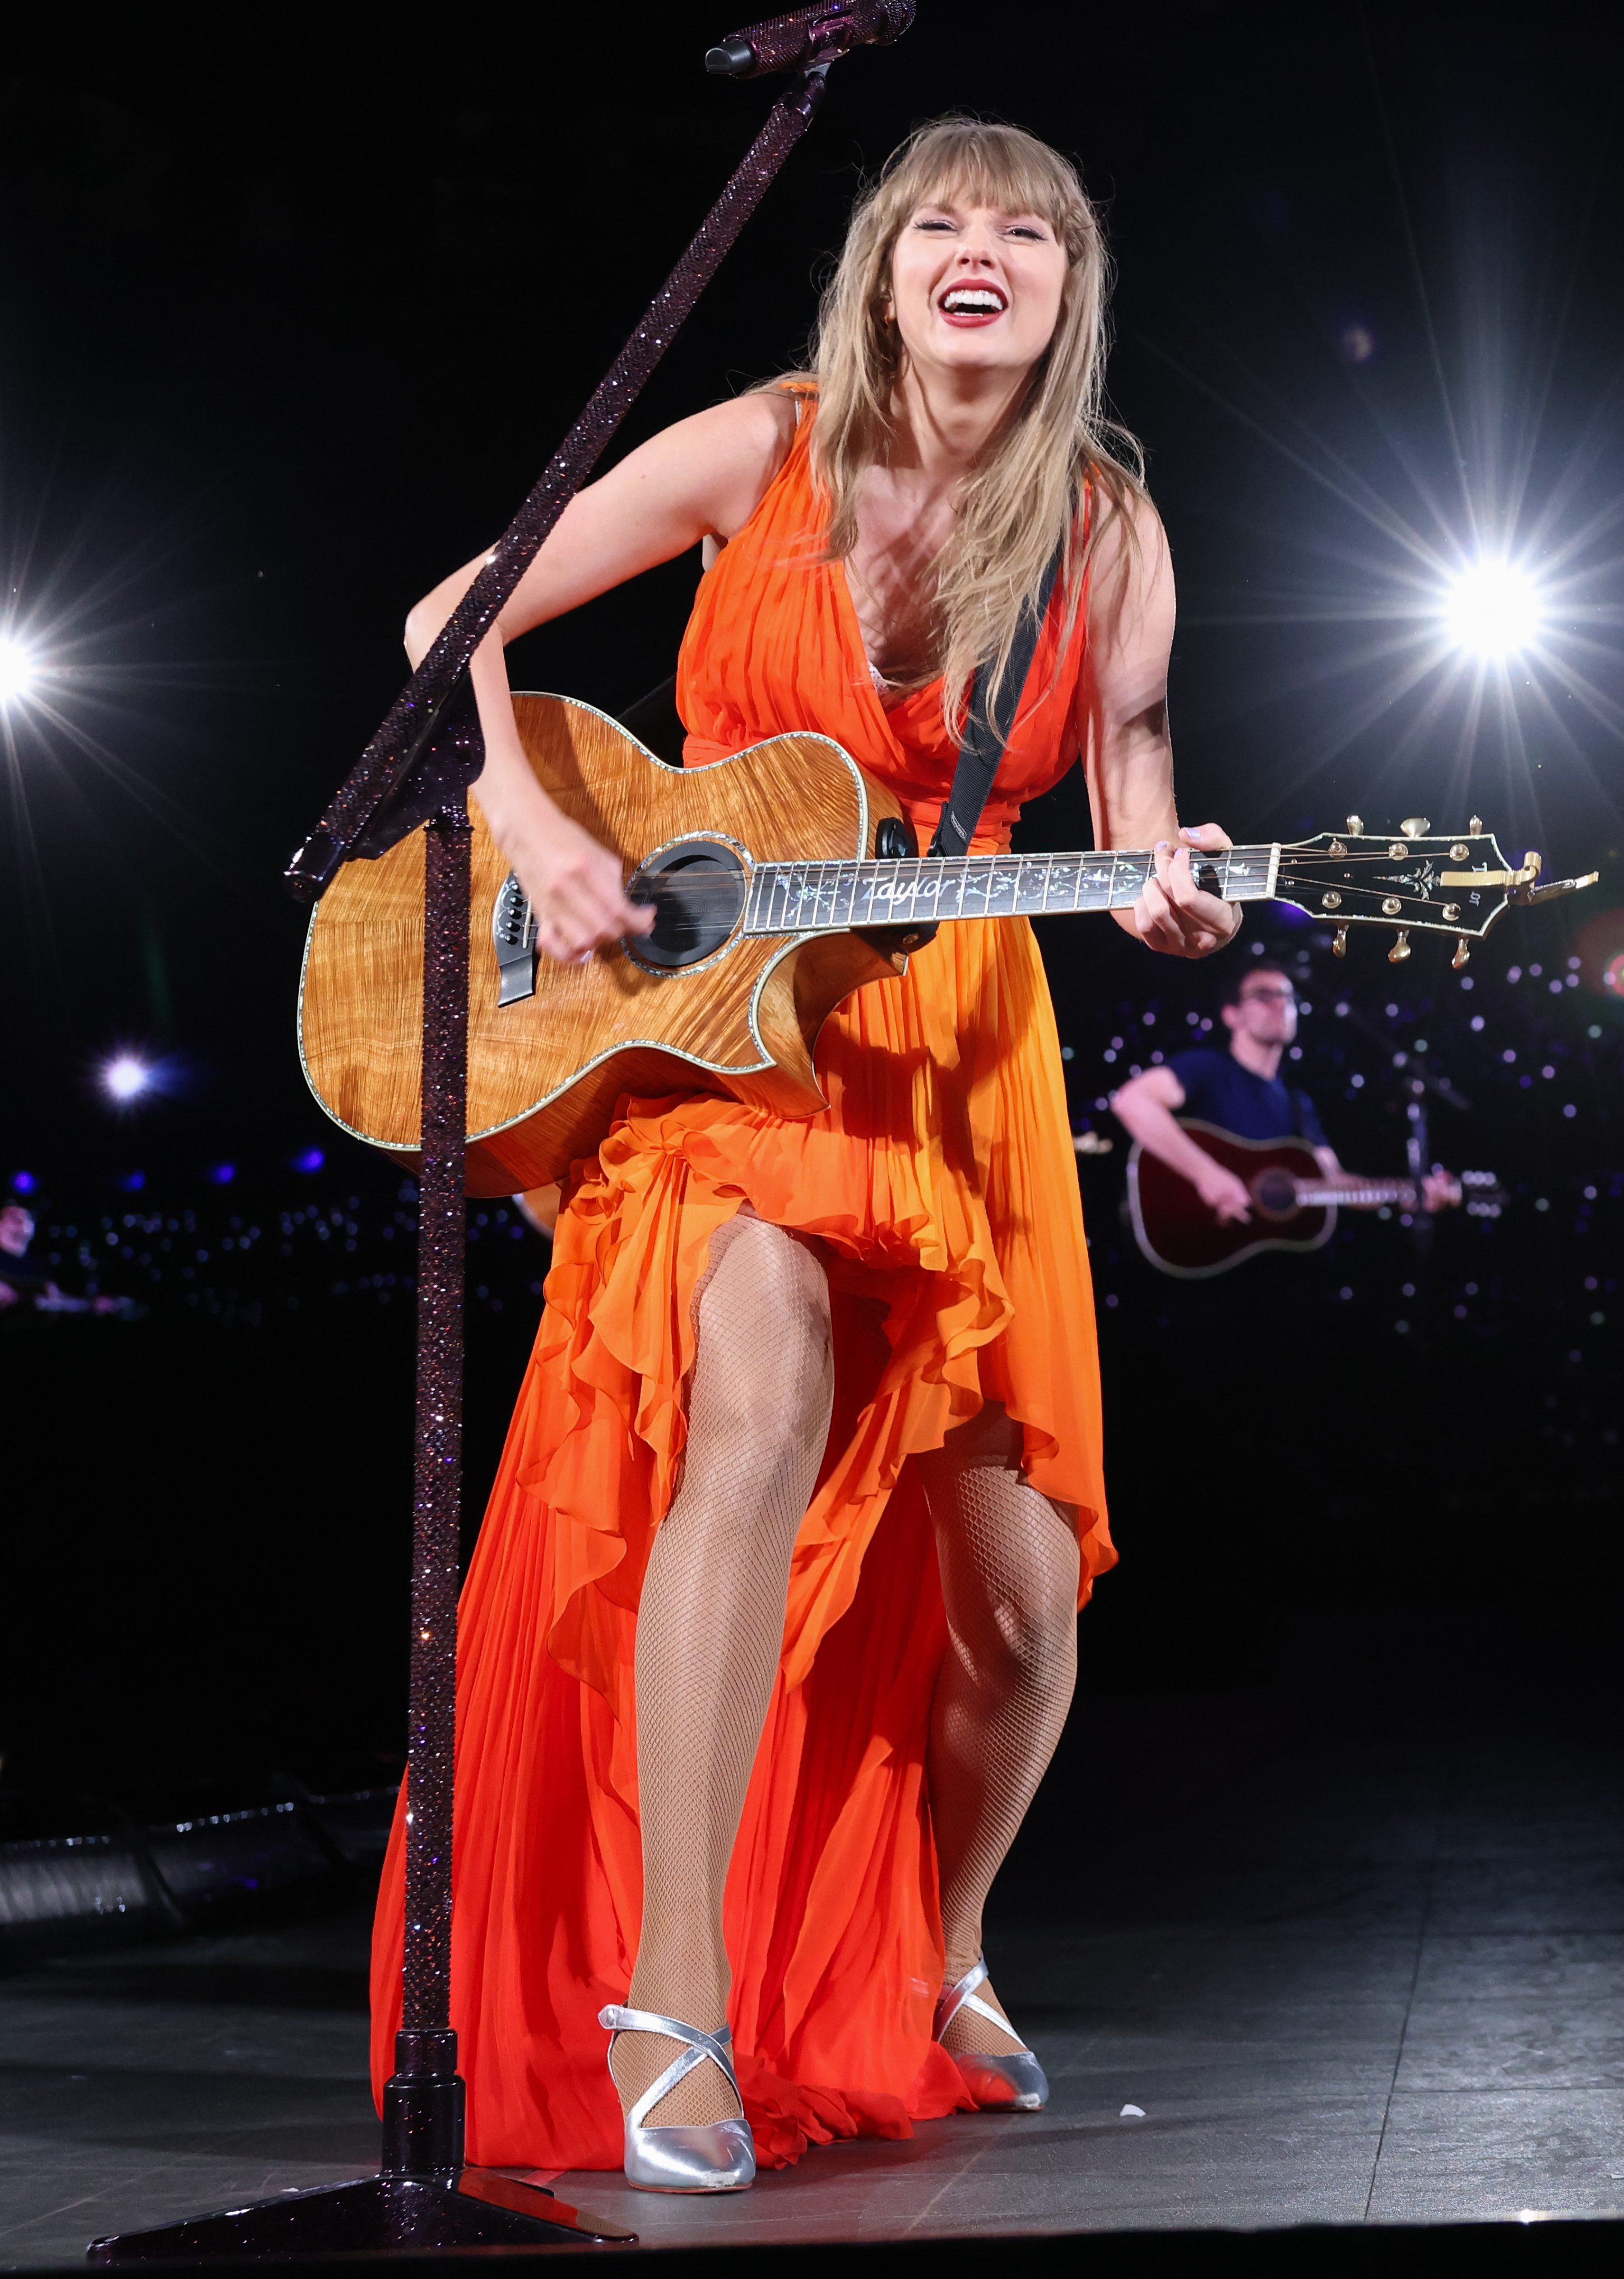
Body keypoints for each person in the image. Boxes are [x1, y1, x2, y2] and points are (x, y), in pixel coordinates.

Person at [372, 118, 1240, 2192]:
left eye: (1023, 230)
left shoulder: (1105, 531)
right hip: (724, 1041)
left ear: (1064, 290)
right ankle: (672, 2002)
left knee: (1023, 1606)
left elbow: (1134, 792)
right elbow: (444, 618)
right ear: (875, 268)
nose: (978, 249)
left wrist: (1175, 882)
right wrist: (536, 824)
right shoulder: (753, 445)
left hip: (953, 1052)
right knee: (748, 1419)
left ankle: (940, 1950)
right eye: (939, 219)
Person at [1111, 962, 1457, 1221]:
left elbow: (1334, 1182)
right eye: (1264, 996)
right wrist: (1207, 1175)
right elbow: (1132, 1102)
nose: (1281, 1005)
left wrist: (1410, 1191)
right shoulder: (1207, 1068)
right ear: (1232, 1015)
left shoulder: (1298, 1103)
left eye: (1288, 998)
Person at [0, 1199, 128, 1318]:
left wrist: (93, 1305)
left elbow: (54, 1300)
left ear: (33, 1229)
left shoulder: (39, 1266)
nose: (18, 1221)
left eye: (24, 1218)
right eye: (11, 1217)